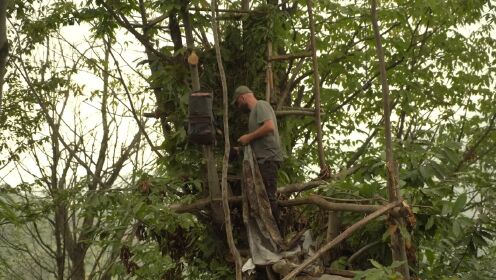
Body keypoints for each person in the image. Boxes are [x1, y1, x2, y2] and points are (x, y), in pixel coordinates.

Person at [232, 85, 283, 227]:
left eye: (237, 103)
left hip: (268, 159)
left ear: (242, 97)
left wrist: (248, 137)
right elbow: (259, 140)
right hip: (263, 159)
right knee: (263, 200)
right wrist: (241, 149)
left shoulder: (260, 105)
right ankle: (272, 238)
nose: (238, 107)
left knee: (268, 199)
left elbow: (269, 127)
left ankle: (278, 240)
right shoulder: (254, 113)